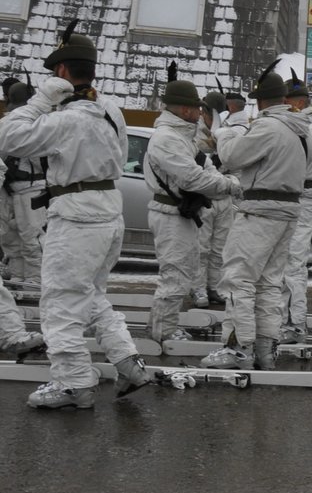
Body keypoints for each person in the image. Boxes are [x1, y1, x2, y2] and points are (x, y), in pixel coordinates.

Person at [0, 23, 151, 407]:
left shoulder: (67, 118)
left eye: (54, 72)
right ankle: (127, 360)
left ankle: (74, 383)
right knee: (91, 295)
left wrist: (37, 102)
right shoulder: (110, 109)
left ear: (62, 72)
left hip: (77, 217)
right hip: (107, 212)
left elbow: (9, 137)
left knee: (61, 303)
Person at [198, 65, 307, 371]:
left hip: (260, 210)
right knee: (269, 283)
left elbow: (232, 157)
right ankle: (265, 349)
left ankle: (237, 348)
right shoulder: (297, 129)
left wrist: (221, 132)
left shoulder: (267, 127)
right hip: (287, 211)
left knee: (238, 279)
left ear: (260, 102)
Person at [142, 65, 239, 346]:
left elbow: (205, 167)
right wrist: (231, 186)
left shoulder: (181, 137)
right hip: (169, 214)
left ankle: (161, 327)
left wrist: (223, 180)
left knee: (183, 271)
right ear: (185, 111)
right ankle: (163, 332)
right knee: (175, 274)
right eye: (197, 108)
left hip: (180, 213)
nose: (201, 113)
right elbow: (193, 177)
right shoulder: (166, 139)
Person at [279, 72, 312, 341]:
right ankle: (290, 319)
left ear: (295, 103)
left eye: (285, 101)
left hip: (296, 194)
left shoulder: (303, 131)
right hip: (307, 194)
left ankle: (293, 321)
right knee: (294, 262)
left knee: (291, 263)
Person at [193, 88, 241, 308]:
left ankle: (214, 287)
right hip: (205, 196)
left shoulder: (228, 130)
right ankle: (198, 289)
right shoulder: (195, 132)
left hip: (224, 195)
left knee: (220, 248)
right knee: (201, 248)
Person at [1, 77, 48, 289]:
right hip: (9, 189)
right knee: (11, 240)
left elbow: (43, 160)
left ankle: (34, 282)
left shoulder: (40, 127)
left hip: (32, 189)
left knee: (32, 240)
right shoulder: (8, 124)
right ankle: (18, 279)